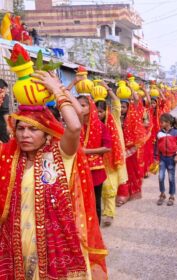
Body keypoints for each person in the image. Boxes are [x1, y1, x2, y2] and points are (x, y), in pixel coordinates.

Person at [0, 70, 108, 279]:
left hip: (54, 242)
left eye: (33, 129)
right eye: (21, 128)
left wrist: (57, 90)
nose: (25, 135)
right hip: (17, 241)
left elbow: (75, 127)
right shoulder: (9, 157)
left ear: (46, 132)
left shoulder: (59, 155)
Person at [95, 82, 128, 227]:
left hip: (113, 158)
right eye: (95, 111)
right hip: (97, 158)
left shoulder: (113, 117)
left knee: (110, 186)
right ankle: (104, 210)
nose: (98, 114)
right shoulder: (92, 123)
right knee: (100, 187)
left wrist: (107, 88)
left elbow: (116, 103)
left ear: (106, 111)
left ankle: (109, 214)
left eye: (100, 111)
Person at [77, 95, 111, 224]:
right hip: (77, 167)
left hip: (95, 169)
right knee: (79, 199)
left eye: (83, 105)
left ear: (90, 107)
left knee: (95, 200)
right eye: (78, 105)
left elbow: (108, 147)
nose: (79, 108)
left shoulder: (100, 126)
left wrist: (87, 152)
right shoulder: (73, 126)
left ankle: (95, 230)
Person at [155, 113, 177, 206]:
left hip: (171, 159)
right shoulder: (159, 133)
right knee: (161, 177)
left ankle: (171, 196)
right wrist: (155, 157)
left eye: (162, 122)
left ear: (168, 122)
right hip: (162, 159)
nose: (160, 124)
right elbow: (156, 146)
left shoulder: (176, 132)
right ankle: (162, 194)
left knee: (171, 178)